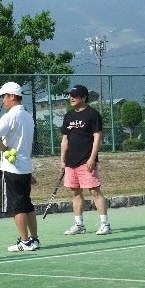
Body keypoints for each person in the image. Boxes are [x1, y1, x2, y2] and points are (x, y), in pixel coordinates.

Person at [0, 81, 40, 252]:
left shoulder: (9, 116)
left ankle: (24, 242)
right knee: (27, 205)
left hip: (11, 169)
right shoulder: (28, 116)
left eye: (4, 96)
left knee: (17, 207)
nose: (2, 100)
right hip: (25, 168)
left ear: (12, 96)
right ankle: (34, 239)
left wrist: (4, 150)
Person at [60, 84, 112, 235]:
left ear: (84, 98)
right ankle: (79, 225)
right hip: (71, 162)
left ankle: (105, 224)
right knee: (75, 192)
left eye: (75, 96)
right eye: (70, 95)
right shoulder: (68, 116)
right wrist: (62, 160)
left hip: (86, 161)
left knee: (95, 191)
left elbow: (97, 137)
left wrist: (92, 158)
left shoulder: (92, 114)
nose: (71, 98)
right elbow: (65, 139)